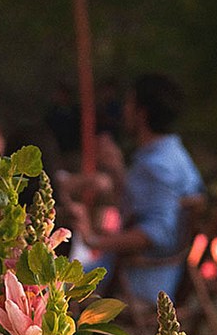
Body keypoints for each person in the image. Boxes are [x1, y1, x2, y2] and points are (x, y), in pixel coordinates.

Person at [71, 74, 204, 304]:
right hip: (161, 275)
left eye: (129, 104)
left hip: (141, 281)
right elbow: (143, 207)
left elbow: (156, 232)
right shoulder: (174, 155)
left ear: (142, 113)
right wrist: (117, 171)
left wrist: (93, 240)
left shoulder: (157, 166)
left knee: (48, 286)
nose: (124, 110)